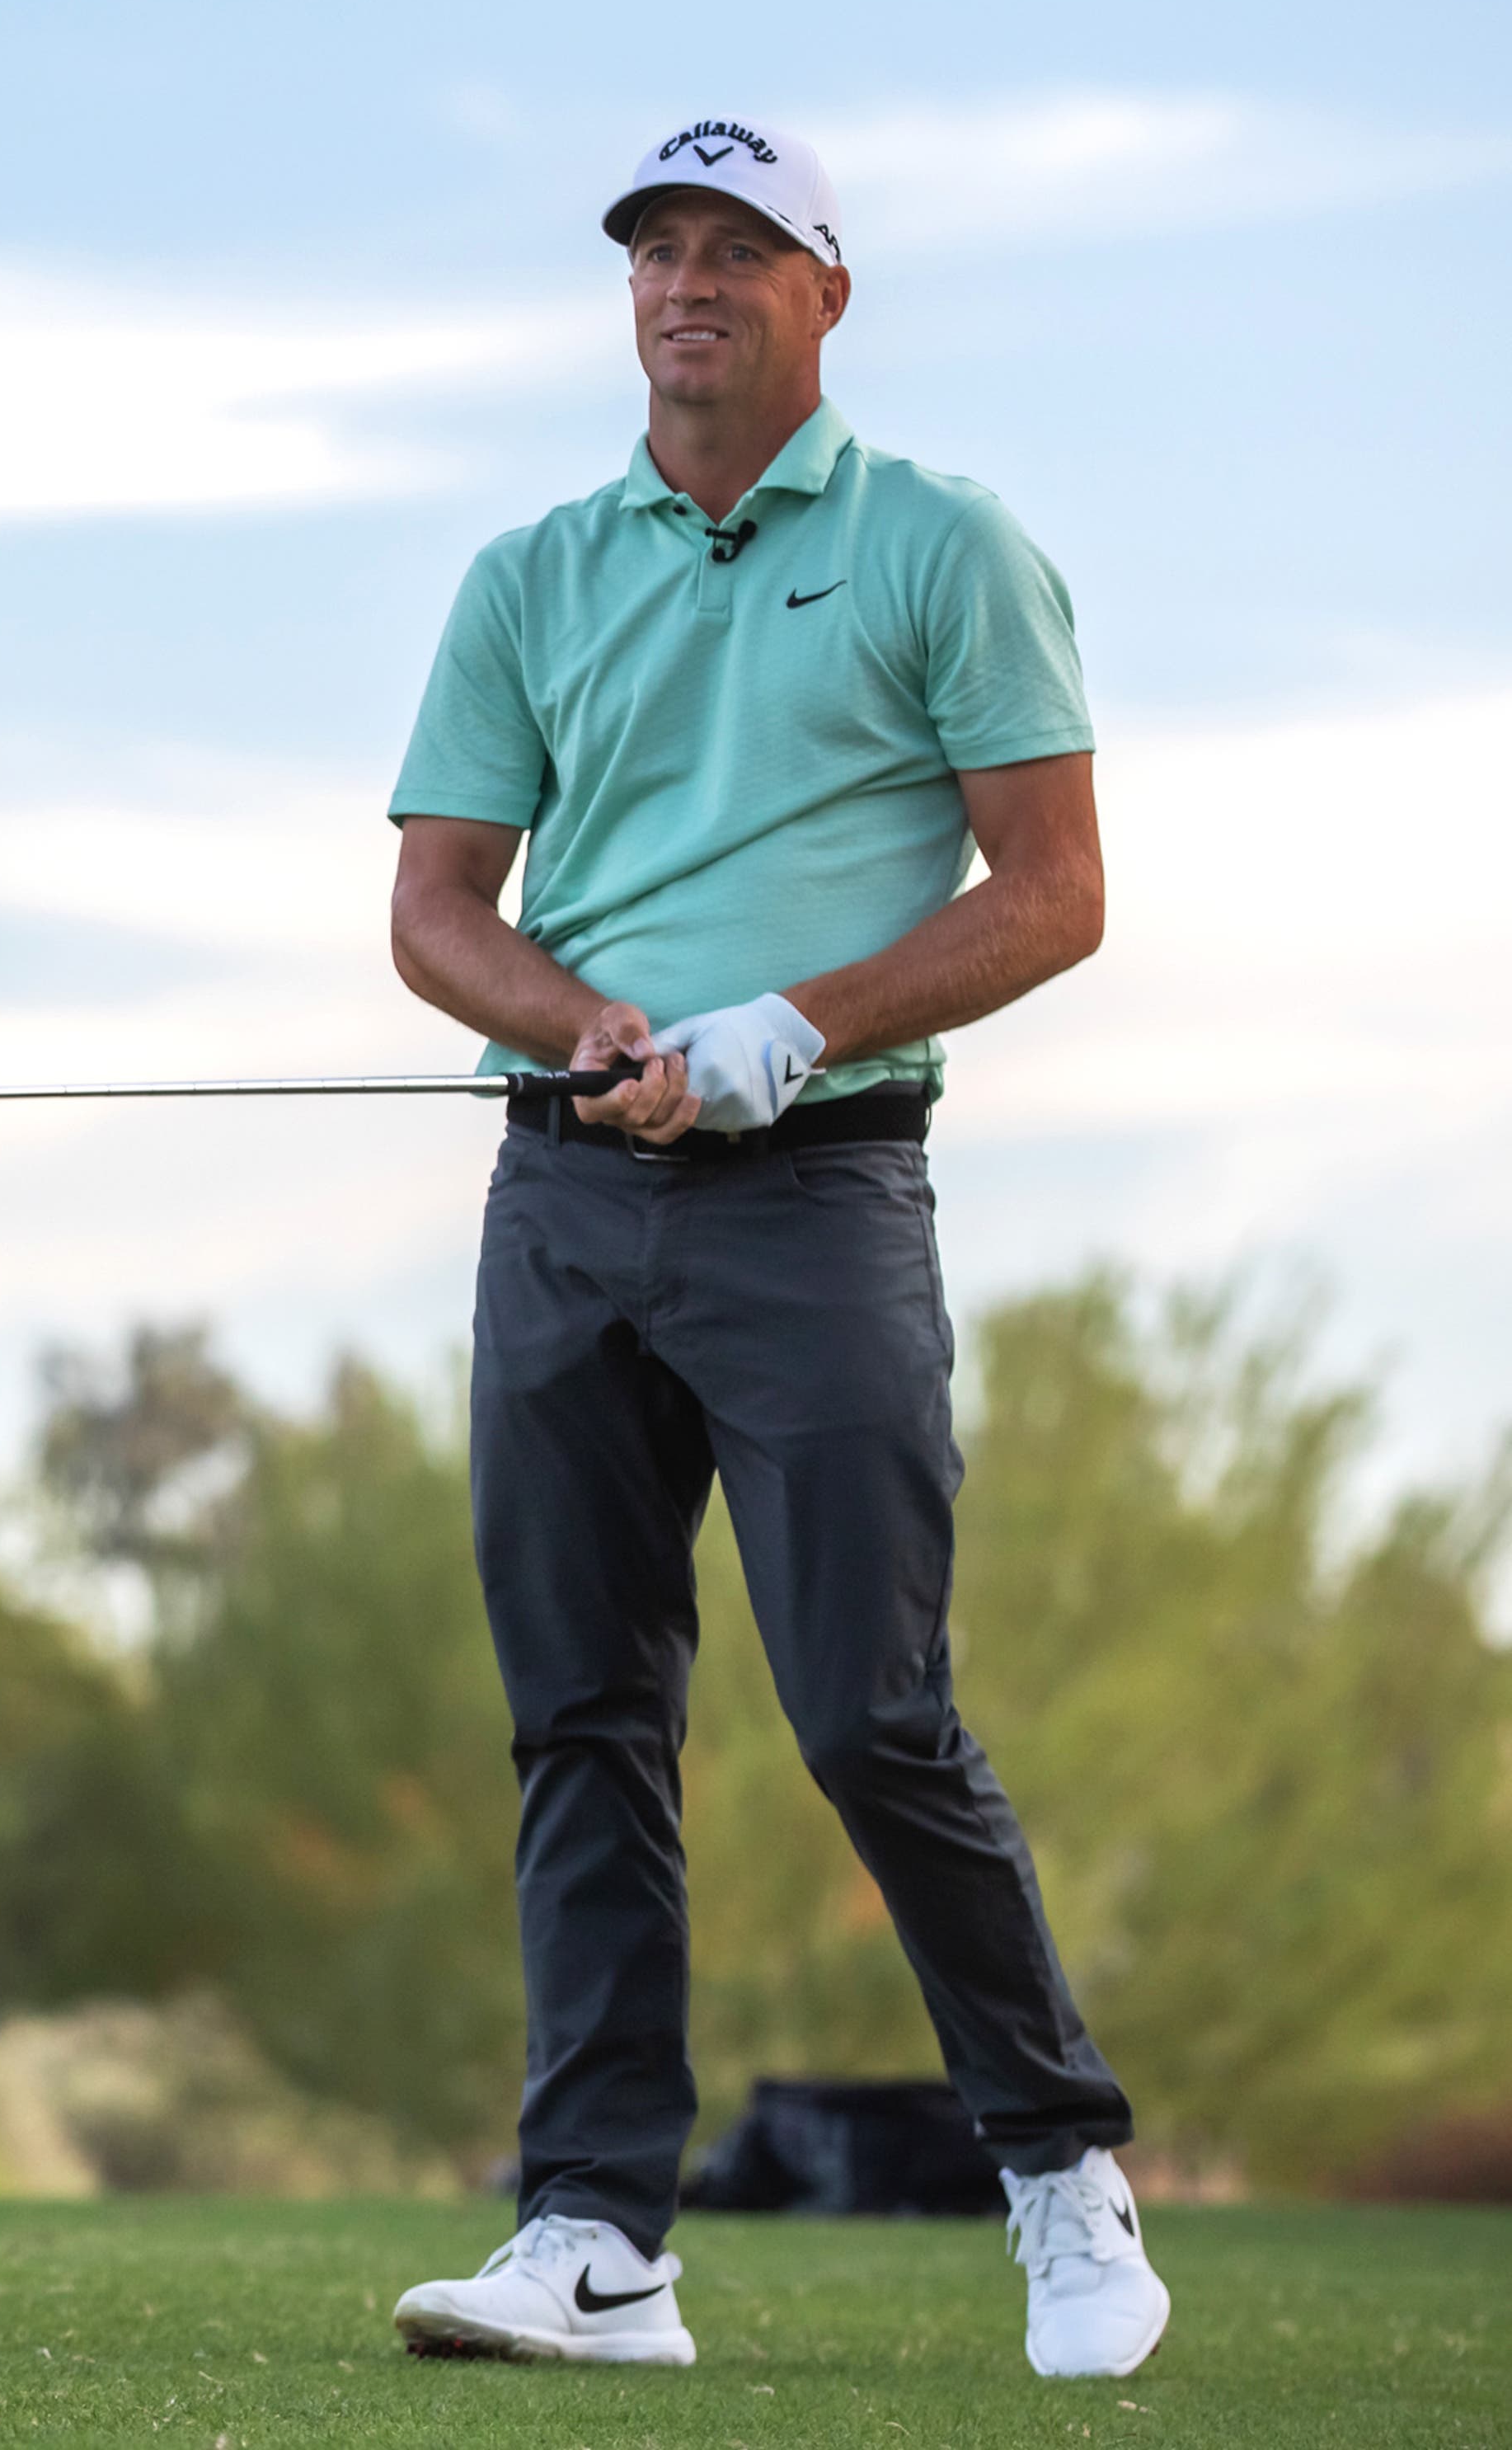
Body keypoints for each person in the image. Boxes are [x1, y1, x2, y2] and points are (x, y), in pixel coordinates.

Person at [382, 118, 1170, 2380]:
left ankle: (1060, 2167)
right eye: (657, 250)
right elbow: (440, 908)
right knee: (583, 1721)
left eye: (740, 249)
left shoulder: (941, 546)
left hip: (819, 1198)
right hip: (567, 1199)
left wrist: (792, 1029)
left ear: (827, 294)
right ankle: (599, 2233)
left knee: (869, 1711)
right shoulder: (534, 571)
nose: (687, 284)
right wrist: (595, 1021)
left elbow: (1055, 891)